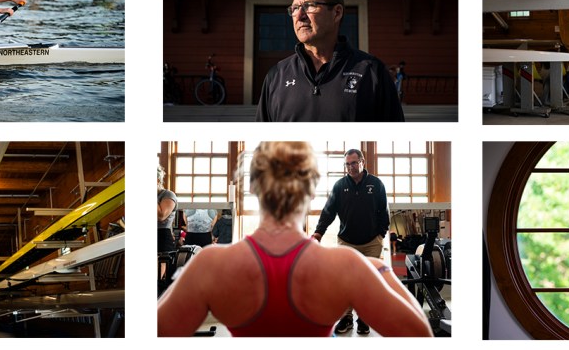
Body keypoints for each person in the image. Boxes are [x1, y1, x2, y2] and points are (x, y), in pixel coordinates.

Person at [157, 142, 431, 337]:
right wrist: (381, 272)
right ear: (312, 190)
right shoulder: (348, 266)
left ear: (252, 186)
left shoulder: (210, 265)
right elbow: (419, 335)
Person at [256, 0, 405, 122]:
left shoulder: (372, 72)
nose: (300, 16)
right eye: (294, 8)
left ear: (337, 13)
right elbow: (262, 145)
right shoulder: (276, 75)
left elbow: (396, 142)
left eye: (309, 6)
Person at [312, 148, 392, 334]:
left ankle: (364, 319)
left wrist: (381, 234)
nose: (351, 167)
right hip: (346, 242)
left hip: (372, 242)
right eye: (347, 164)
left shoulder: (376, 184)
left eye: (354, 163)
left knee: (368, 282)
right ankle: (346, 318)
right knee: (345, 283)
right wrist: (318, 233)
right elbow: (328, 211)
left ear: (363, 162)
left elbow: (384, 212)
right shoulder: (340, 186)